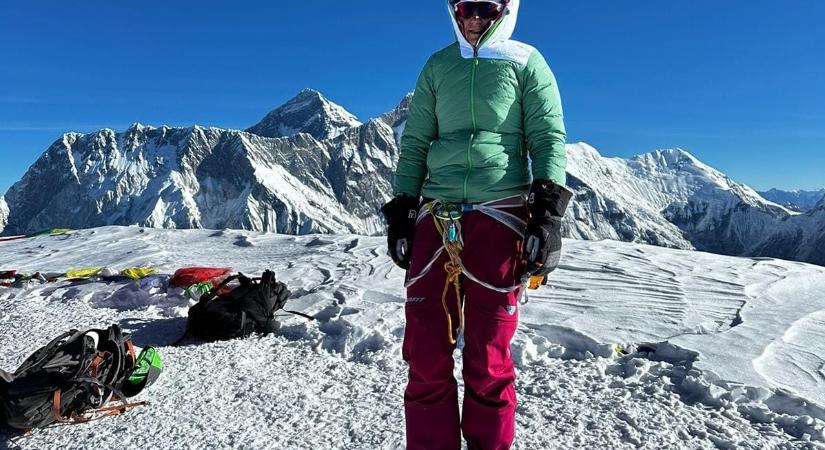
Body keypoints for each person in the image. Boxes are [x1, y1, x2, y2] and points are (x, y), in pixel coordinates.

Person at [381, 0, 573, 449]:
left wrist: (547, 215)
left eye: (484, 10)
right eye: (464, 10)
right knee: (425, 352)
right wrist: (403, 207)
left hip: (500, 213)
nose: (473, 22)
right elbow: (416, 142)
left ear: (505, 10)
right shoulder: (438, 65)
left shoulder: (527, 62)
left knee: (488, 357)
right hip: (437, 213)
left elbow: (547, 137)